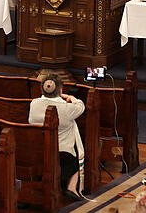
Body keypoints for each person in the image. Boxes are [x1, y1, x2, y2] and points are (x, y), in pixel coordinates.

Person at [28, 72, 86, 201]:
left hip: (38, 150)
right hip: (61, 154)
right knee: (76, 157)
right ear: (60, 90)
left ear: (42, 88)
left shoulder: (34, 104)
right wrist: (71, 97)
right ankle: (71, 187)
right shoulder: (66, 108)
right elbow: (81, 106)